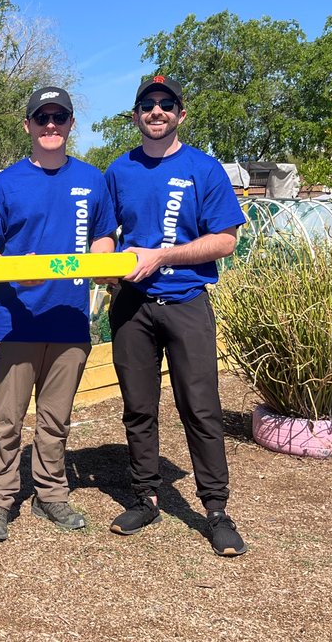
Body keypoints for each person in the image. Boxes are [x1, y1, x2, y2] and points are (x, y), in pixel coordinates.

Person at [104, 74, 248, 557]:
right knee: (138, 407)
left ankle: (216, 509)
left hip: (187, 303)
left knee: (201, 408)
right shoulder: (119, 170)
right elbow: (106, 233)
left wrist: (162, 255)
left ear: (181, 114)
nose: (157, 111)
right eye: (148, 104)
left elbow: (226, 240)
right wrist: (106, 265)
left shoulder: (204, 169)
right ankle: (145, 496)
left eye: (167, 104)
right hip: (132, 307)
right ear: (137, 115)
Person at [0, 86, 118, 542]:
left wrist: (101, 264)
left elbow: (103, 237)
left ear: (71, 124)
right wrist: (15, 275)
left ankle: (50, 495)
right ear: (28, 126)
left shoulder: (93, 181)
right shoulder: (3, 185)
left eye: (59, 117)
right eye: (42, 118)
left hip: (70, 322)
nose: (50, 125)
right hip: (15, 321)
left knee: (56, 419)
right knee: (6, 420)